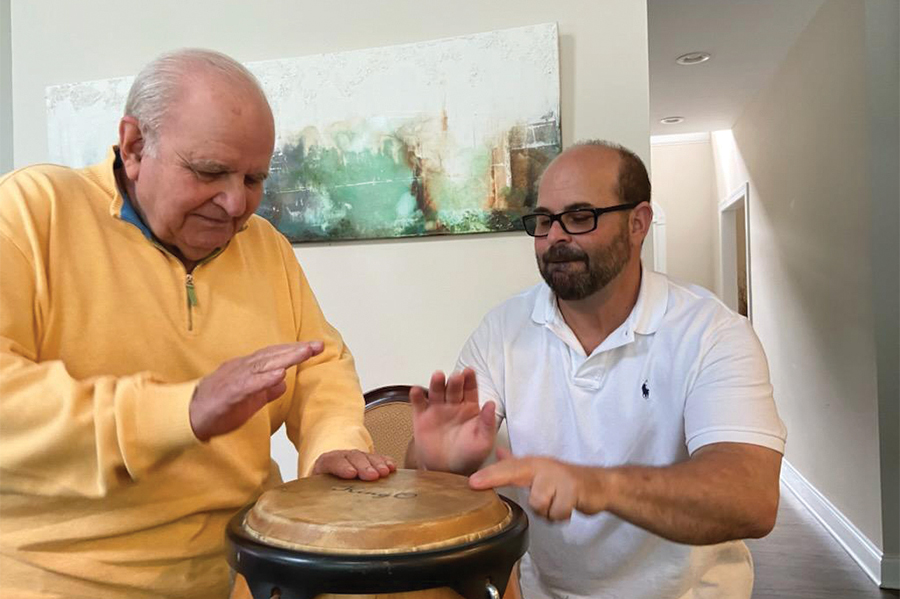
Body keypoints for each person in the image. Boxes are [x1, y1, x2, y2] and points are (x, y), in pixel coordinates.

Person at [0, 49, 394, 599]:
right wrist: (180, 410)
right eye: (209, 172)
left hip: (246, 574)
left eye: (254, 178)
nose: (237, 204)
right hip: (66, 581)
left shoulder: (266, 248)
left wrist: (331, 442)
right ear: (135, 145)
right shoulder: (29, 211)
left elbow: (317, 360)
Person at [409, 141, 786, 599]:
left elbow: (751, 498)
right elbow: (428, 474)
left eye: (580, 216)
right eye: (544, 220)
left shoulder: (711, 333)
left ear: (638, 223)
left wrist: (598, 484)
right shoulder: (503, 330)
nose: (554, 237)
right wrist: (435, 463)